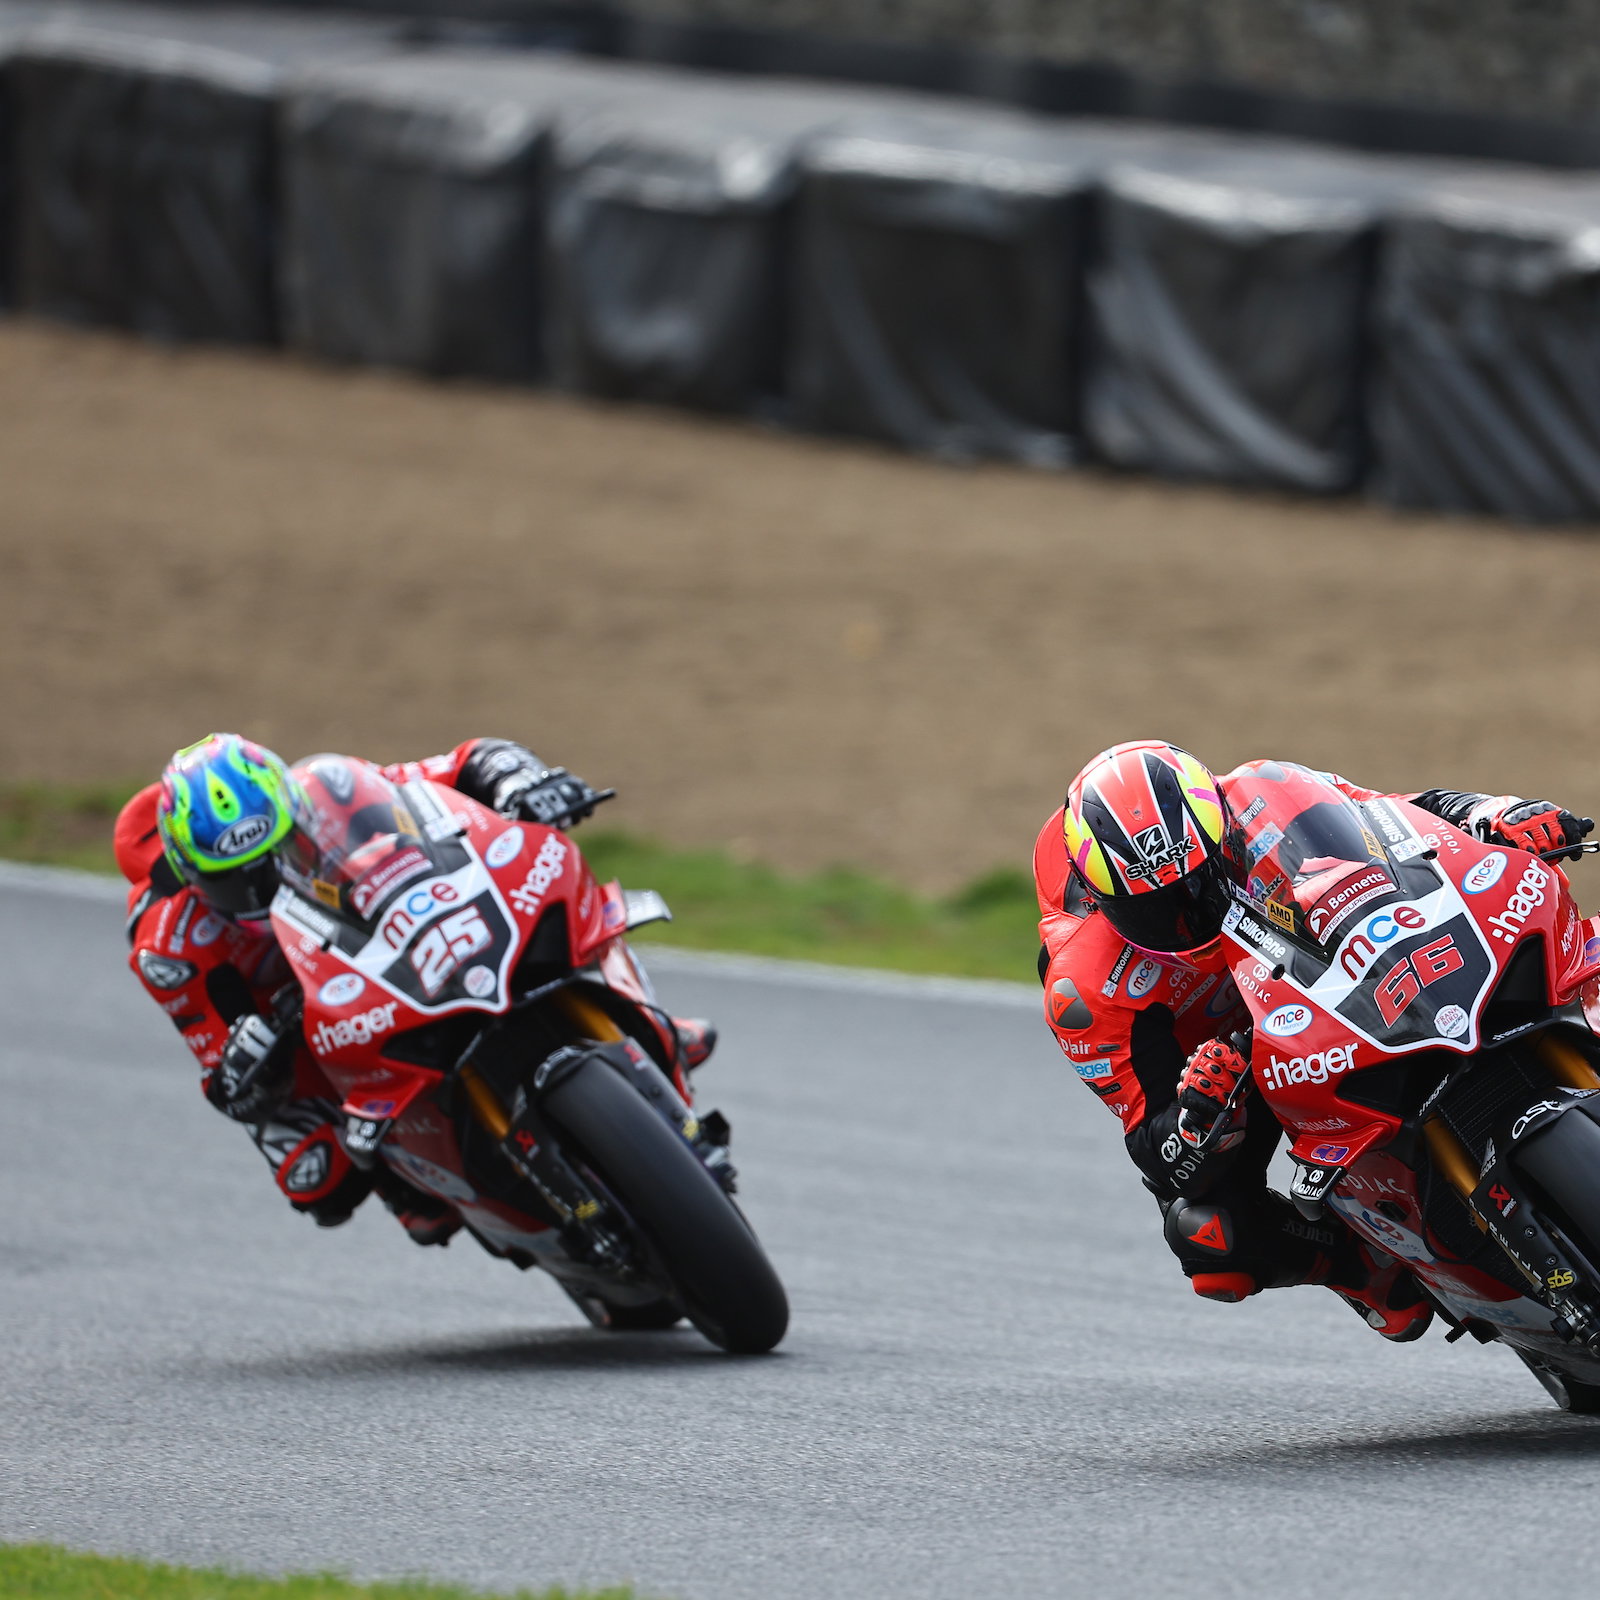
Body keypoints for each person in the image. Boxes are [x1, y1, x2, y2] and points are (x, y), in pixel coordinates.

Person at [1034, 739, 1592, 1339]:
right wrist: (1197, 1114)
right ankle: (1364, 1271)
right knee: (1207, 1232)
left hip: (1319, 978)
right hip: (1231, 1061)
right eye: (1159, 908)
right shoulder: (1084, 986)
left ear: (1216, 830)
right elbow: (1155, 1149)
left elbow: (1400, 818)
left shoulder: (1260, 790)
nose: (1188, 914)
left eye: (1201, 884)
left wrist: (1496, 814)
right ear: (1103, 897)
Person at [116, 732, 716, 1246]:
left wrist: (516, 778)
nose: (259, 893)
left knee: (565, 905)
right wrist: (244, 1061)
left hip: (378, 941)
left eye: (273, 863)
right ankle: (403, 1181)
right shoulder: (170, 947)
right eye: (234, 884)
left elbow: (452, 769)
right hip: (296, 1015)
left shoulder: (327, 800)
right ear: (188, 871)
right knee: (317, 1178)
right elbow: (225, 1078)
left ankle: (646, 1019)